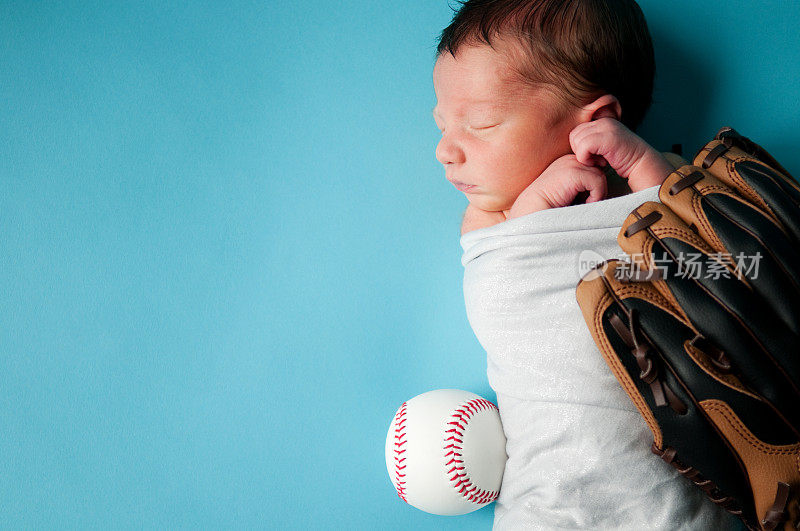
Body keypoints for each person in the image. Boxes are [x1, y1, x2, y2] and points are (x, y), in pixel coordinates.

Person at [432, 1, 746, 528]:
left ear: (597, 122)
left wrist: (640, 164)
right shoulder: (490, 216)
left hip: (678, 500)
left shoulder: (667, 180)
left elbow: (695, 258)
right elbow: (506, 278)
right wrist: (534, 206)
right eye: (442, 124)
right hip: (548, 504)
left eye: (481, 124)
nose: (446, 150)